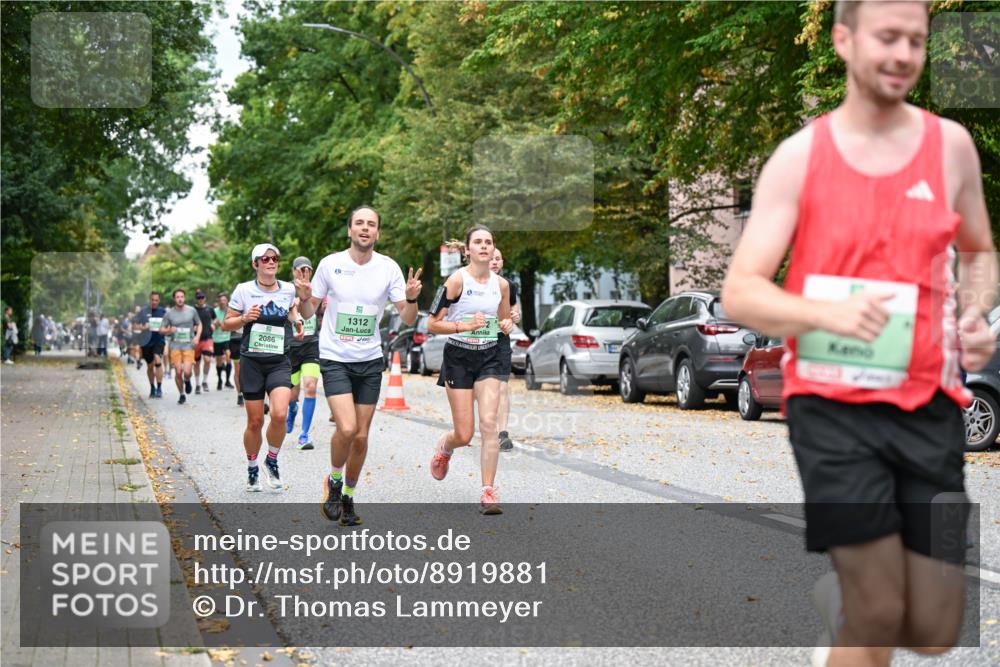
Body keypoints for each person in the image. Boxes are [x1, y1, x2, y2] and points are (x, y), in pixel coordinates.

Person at [720, 3, 996, 666]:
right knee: (876, 608)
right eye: (887, 38)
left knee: (935, 630)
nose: (903, 54)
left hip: (933, 406)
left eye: (917, 41)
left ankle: (842, 605)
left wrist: (975, 313)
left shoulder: (950, 146)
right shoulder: (800, 158)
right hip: (832, 409)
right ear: (842, 41)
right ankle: (856, 609)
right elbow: (742, 289)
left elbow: (981, 250)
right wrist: (823, 315)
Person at [295, 205, 422, 526]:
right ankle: (334, 482)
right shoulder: (330, 264)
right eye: (359, 223)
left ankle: (348, 496)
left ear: (377, 233)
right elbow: (309, 314)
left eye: (372, 224)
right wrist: (305, 297)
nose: (365, 228)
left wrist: (411, 298)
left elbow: (407, 317)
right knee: (347, 428)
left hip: (369, 361)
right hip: (335, 357)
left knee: (362, 437)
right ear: (350, 230)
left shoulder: (388, 268)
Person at [427, 226, 514, 514]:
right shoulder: (456, 280)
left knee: (489, 424)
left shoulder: (501, 285)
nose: (484, 246)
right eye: (478, 242)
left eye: (488, 242)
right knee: (465, 433)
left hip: (490, 357)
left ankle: (488, 491)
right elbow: (432, 323)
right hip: (459, 358)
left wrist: (506, 324)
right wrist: (463, 325)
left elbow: (503, 322)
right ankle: (445, 448)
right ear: (468, 250)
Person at [223, 243, 304, 492]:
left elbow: (291, 311)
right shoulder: (244, 290)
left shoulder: (288, 289)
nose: (271, 262)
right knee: (255, 421)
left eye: (274, 258)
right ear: (255, 264)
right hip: (252, 362)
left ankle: (271, 459)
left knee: (280, 413)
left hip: (279, 360)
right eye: (265, 259)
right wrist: (244, 318)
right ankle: (252, 466)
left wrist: (298, 320)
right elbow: (227, 324)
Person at [285, 256, 324, 450]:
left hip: (311, 345)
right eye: (300, 270)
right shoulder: (285, 290)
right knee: (291, 396)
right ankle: (292, 409)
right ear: (293, 271)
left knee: (310, 386)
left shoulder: (317, 288)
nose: (304, 273)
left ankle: (304, 434)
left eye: (307, 269)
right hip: (291, 347)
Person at [489, 248, 522, 451]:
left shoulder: (509, 285)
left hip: (500, 341)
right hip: (476, 342)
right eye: (491, 258)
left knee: (502, 387)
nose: (494, 261)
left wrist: (515, 316)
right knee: (483, 389)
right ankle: (485, 426)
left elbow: (514, 309)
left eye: (498, 258)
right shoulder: (469, 282)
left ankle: (502, 434)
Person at [160, 289, 202, 405]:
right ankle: (182, 394)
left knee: (187, 371)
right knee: (178, 372)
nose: (180, 299)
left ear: (184, 298)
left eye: (182, 296)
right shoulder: (169, 314)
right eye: (177, 297)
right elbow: (161, 330)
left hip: (188, 345)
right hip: (175, 346)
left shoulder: (191, 311)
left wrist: (197, 337)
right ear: (174, 299)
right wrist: (169, 330)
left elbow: (199, 324)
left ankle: (187, 380)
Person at [134, 292, 167, 397]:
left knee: (158, 360)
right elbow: (135, 326)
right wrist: (144, 327)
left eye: (156, 300)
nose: (154, 302)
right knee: (150, 366)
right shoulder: (143, 312)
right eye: (152, 300)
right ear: (149, 300)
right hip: (146, 342)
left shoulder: (163, 312)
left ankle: (159, 388)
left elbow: (168, 326)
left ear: (159, 301)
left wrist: (164, 330)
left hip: (159, 340)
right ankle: (152, 387)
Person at [192, 290, 216, 394]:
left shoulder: (210, 309)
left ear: (205, 298)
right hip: (196, 339)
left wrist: (214, 324)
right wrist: (192, 327)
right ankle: (197, 384)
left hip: (207, 338)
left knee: (207, 359)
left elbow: (215, 319)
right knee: (196, 363)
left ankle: (205, 381)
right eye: (198, 298)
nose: (200, 299)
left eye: (202, 297)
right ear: (196, 299)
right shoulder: (192, 310)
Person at [212, 293, 235, 391]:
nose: (222, 302)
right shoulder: (214, 311)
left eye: (224, 300)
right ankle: (220, 380)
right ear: (218, 302)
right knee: (219, 362)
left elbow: (231, 324)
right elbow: (212, 324)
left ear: (227, 301)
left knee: (228, 356)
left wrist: (222, 324)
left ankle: (227, 380)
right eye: (221, 300)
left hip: (227, 338)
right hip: (216, 339)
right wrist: (215, 324)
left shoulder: (230, 311)